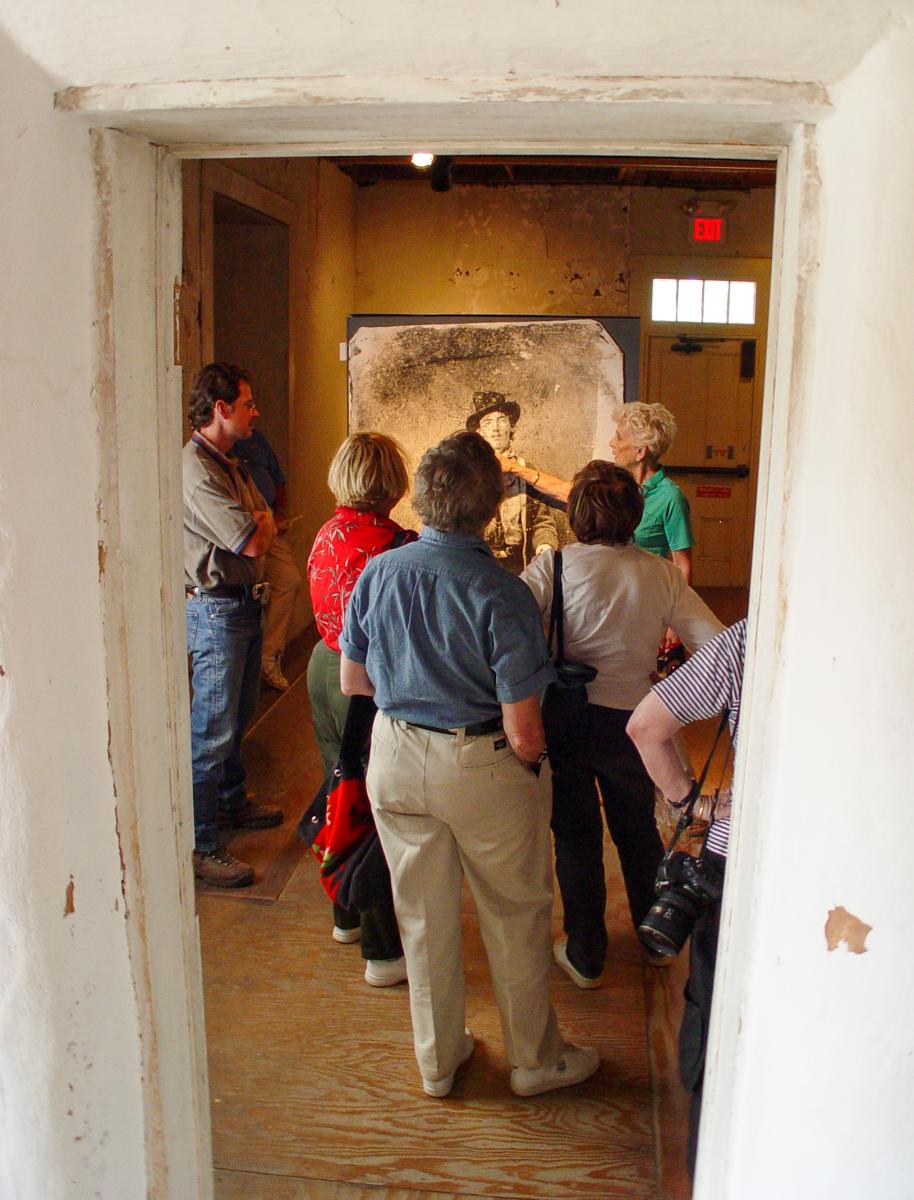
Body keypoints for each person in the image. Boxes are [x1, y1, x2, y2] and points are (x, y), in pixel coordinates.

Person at [339, 431, 599, 1099]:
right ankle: (535, 1062)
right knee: (514, 912)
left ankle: (438, 1059)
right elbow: (523, 728)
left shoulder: (378, 573)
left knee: (422, 916)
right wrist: (535, 769)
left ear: (424, 498)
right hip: (479, 761)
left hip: (395, 755)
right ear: (489, 506)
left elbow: (353, 682)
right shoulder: (502, 593)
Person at [521, 461, 723, 988]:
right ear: (634, 514)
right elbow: (716, 646)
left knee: (575, 836)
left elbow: (507, 629)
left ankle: (586, 953)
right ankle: (655, 936)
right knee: (636, 830)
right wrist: (673, 690)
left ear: (576, 513)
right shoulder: (658, 573)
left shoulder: (553, 568)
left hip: (566, 718)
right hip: (636, 723)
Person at [626, 618, 747, 1177]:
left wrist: (691, 802)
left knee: (714, 1011)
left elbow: (647, 725)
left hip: (738, 859)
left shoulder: (753, 638)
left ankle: (706, 1165)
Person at [306, 432, 417, 986]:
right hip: (367, 680)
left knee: (338, 788)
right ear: (392, 482)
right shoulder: (398, 544)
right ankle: (382, 949)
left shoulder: (327, 532)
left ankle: (344, 911)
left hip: (322, 668)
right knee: (371, 807)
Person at [183, 363, 283, 888]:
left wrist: (259, 522)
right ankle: (202, 843)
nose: (255, 411)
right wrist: (260, 523)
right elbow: (255, 539)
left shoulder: (231, 463)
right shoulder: (197, 471)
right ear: (220, 409)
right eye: (247, 403)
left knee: (237, 719)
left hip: (241, 605)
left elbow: (265, 516)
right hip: (215, 609)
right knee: (211, 730)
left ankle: (230, 804)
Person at [233, 427, 302, 692]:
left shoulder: (257, 438)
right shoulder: (216, 457)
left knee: (289, 580)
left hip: (269, 526)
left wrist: (279, 512)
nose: (255, 412)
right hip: (242, 534)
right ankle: (250, 667)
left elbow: (277, 479)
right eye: (248, 405)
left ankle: (267, 657)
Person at [466, 391, 558, 574]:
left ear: (511, 427)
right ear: (479, 432)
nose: (495, 428)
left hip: (519, 569)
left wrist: (545, 545)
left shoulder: (525, 470)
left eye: (501, 420)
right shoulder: (467, 473)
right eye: (488, 422)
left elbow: (542, 521)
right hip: (480, 568)